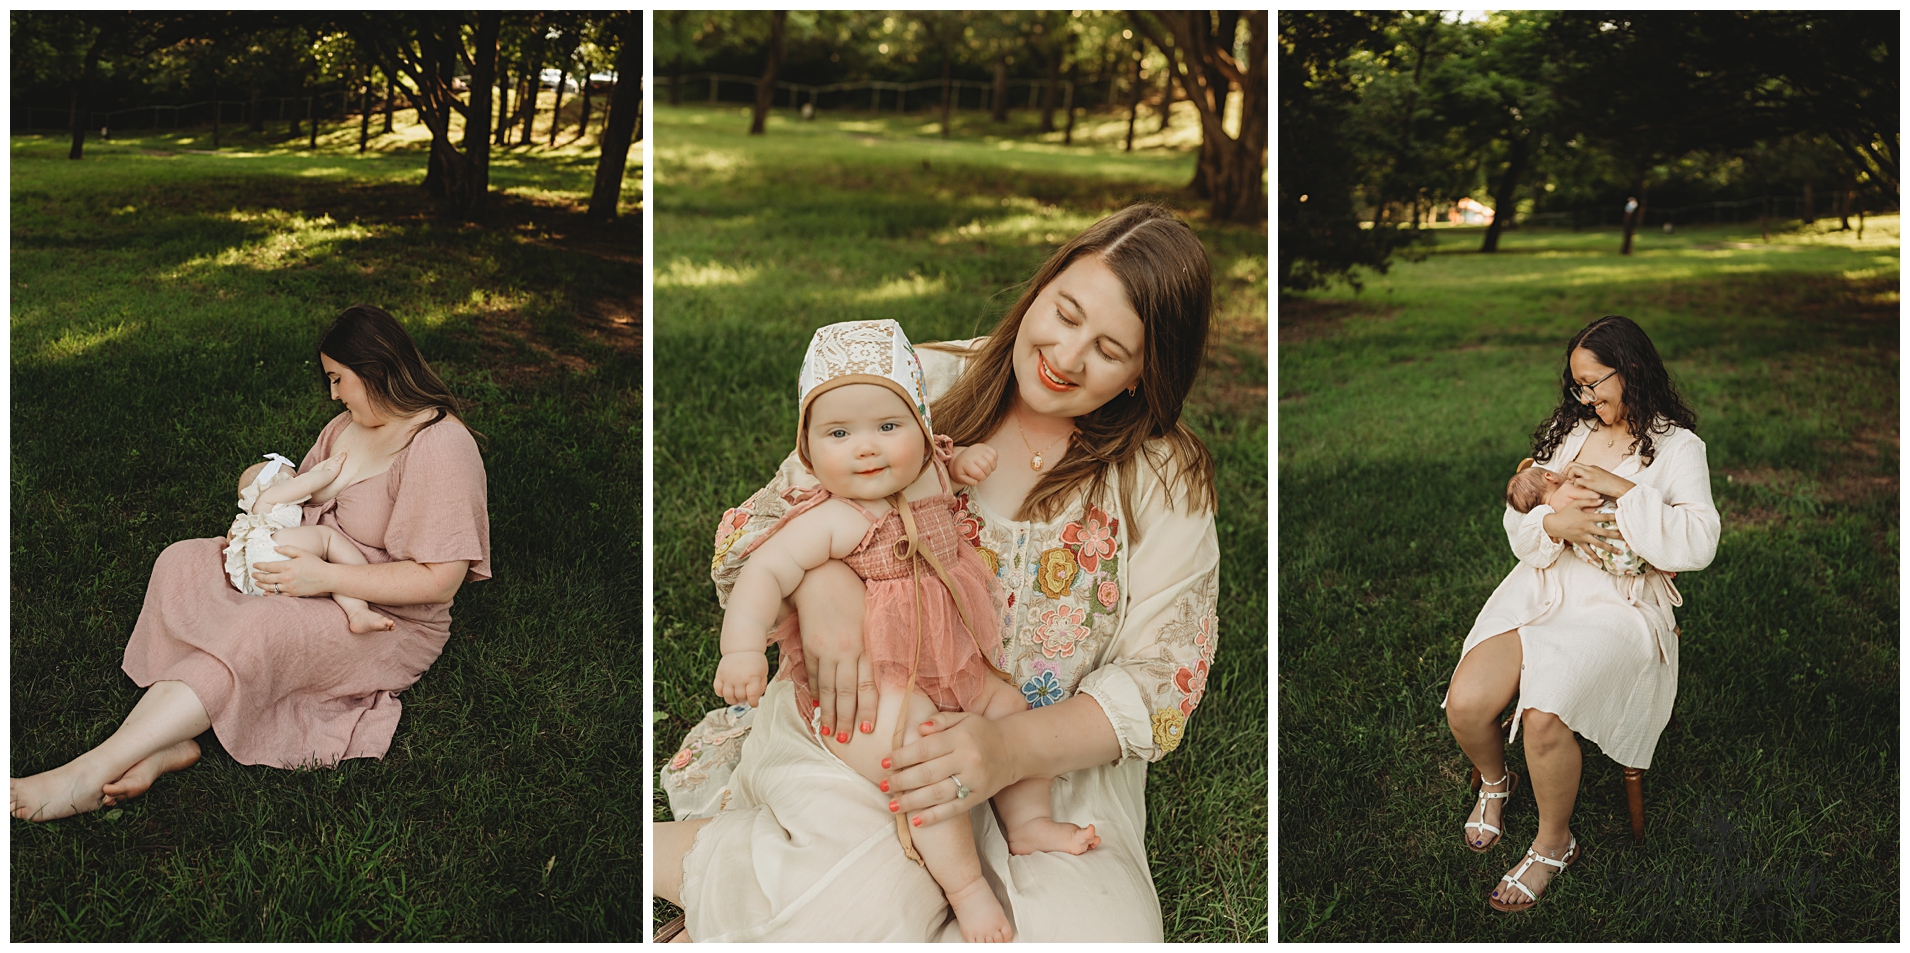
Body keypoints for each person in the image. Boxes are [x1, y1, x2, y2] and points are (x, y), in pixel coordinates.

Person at [655, 203, 1222, 942]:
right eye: (1065, 311)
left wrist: (1009, 749)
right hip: (873, 714)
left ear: (1146, 373)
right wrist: (823, 586)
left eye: (1110, 348)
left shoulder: (1163, 473)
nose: (1068, 354)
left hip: (1045, 763)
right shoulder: (917, 379)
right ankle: (690, 865)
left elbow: (1164, 676)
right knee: (865, 902)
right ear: (1041, 287)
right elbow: (759, 531)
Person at [10, 304, 491, 821]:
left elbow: (442, 581)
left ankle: (88, 773)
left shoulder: (440, 444)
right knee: (184, 563)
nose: (333, 394)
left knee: (256, 629)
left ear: (375, 368)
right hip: (306, 567)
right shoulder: (345, 427)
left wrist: (326, 577)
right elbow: (295, 497)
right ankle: (166, 742)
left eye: (337, 379)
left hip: (384, 615)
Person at [714, 320, 1100, 943]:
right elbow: (766, 568)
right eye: (839, 434)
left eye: (888, 428)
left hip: (957, 664)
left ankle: (1027, 825)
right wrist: (739, 648)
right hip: (880, 683)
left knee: (1009, 706)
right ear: (809, 452)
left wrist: (968, 462)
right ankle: (967, 889)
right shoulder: (835, 519)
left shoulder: (929, 473)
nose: (866, 449)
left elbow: (955, 465)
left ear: (921, 432)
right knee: (923, 758)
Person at [1445, 314, 1718, 912]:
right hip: (1544, 582)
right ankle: (1498, 782)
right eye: (1579, 387)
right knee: (1465, 703)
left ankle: (1553, 842)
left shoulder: (1677, 448)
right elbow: (1519, 513)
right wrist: (1551, 521)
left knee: (1544, 717)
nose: (1587, 399)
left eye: (1596, 384)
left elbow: (1700, 542)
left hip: (1619, 606)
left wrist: (1624, 492)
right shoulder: (1571, 431)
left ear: (1635, 370)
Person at [225, 450, 398, 633]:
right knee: (327, 539)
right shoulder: (270, 495)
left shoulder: (252, 516)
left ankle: (358, 614)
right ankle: (360, 576)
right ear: (273, 482)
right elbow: (306, 484)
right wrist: (329, 472)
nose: (297, 478)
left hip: (260, 580)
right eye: (293, 477)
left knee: (329, 582)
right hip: (274, 544)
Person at [1504, 458, 1651, 576]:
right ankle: (1656, 563)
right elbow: (1594, 496)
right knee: (1633, 531)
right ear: (1549, 476)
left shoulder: (1553, 515)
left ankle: (1642, 566)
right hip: (1609, 529)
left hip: (1605, 557)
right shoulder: (1566, 489)